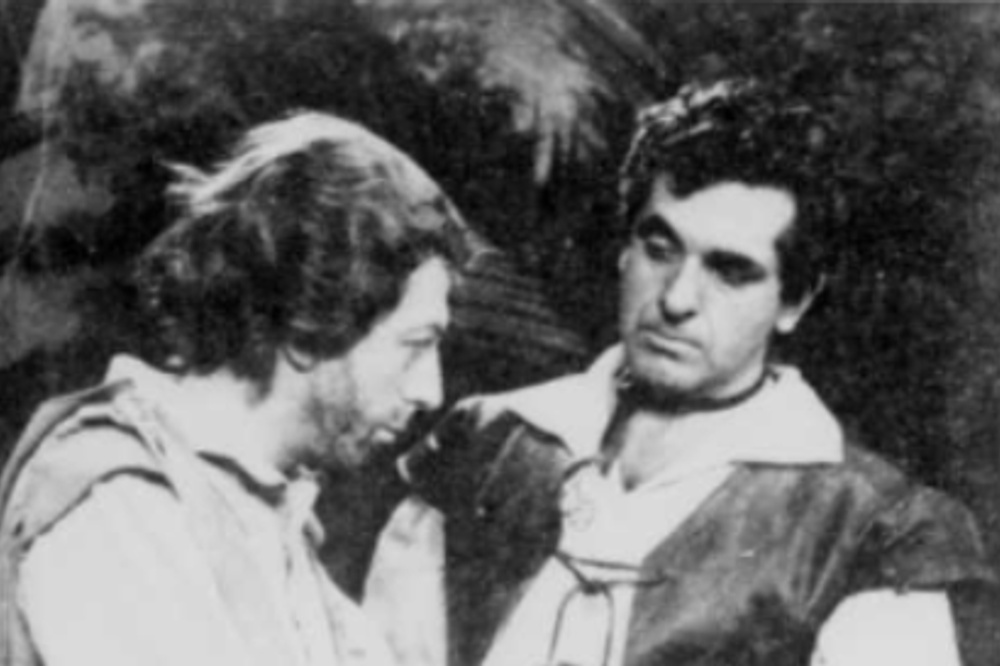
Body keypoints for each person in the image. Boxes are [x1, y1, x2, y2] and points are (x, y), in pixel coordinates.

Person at [363, 79, 998, 666]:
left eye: (731, 271)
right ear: (624, 248)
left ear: (795, 301)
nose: (676, 299)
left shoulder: (870, 530)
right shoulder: (490, 441)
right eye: (660, 248)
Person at [0, 110, 472, 666]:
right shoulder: (120, 500)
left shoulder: (269, 519)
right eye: (414, 344)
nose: (429, 391)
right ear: (309, 324)